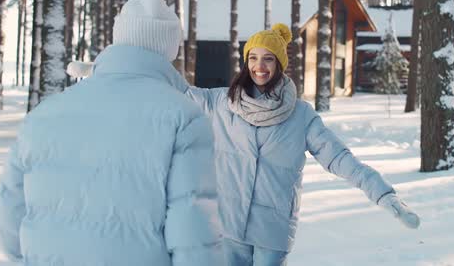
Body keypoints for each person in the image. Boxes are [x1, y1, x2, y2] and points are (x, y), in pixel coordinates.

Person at [0, 0, 223, 266]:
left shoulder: (43, 113)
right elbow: (193, 232)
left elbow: (8, 210)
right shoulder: (184, 118)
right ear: (168, 49)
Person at [179, 23, 421, 265]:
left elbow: (340, 159)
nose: (259, 66)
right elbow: (173, 89)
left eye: (268, 59)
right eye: (253, 58)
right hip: (229, 225)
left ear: (279, 64)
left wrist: (385, 196)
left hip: (272, 231)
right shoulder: (222, 102)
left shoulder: (300, 115)